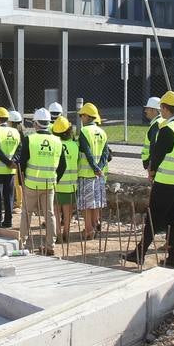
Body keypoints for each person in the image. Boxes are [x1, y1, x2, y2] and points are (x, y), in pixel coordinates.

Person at [127, 91, 174, 268]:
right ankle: (173, 259)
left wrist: (152, 172)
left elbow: (157, 155)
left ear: (164, 108)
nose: (160, 111)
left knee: (153, 218)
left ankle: (139, 254)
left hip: (165, 181)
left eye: (161, 108)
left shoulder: (167, 129)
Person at [18, 108, 67, 254]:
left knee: (26, 213)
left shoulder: (30, 139)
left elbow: (22, 162)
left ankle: (22, 243)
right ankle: (50, 246)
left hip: (31, 184)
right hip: (49, 184)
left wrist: (23, 181)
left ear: (36, 124)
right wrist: (54, 179)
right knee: (50, 214)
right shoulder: (57, 141)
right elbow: (62, 165)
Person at [76, 102, 108, 240]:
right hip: (99, 175)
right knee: (96, 203)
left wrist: (94, 168)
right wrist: (99, 168)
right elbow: (106, 153)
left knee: (86, 205)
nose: (81, 118)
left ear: (86, 116)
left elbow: (87, 153)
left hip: (86, 174)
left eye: (81, 116)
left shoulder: (84, 132)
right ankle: (96, 224)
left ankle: (88, 230)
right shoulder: (102, 132)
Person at [0, 106, 20, 229]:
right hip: (10, 170)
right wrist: (13, 161)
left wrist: (7, 162)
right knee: (9, 196)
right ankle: (8, 221)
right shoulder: (15, 132)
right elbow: (19, 149)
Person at [52, 116, 78, 250]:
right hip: (70, 184)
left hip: (56, 183)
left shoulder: (55, 145)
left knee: (55, 210)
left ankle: (57, 235)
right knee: (68, 211)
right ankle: (66, 233)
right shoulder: (75, 145)